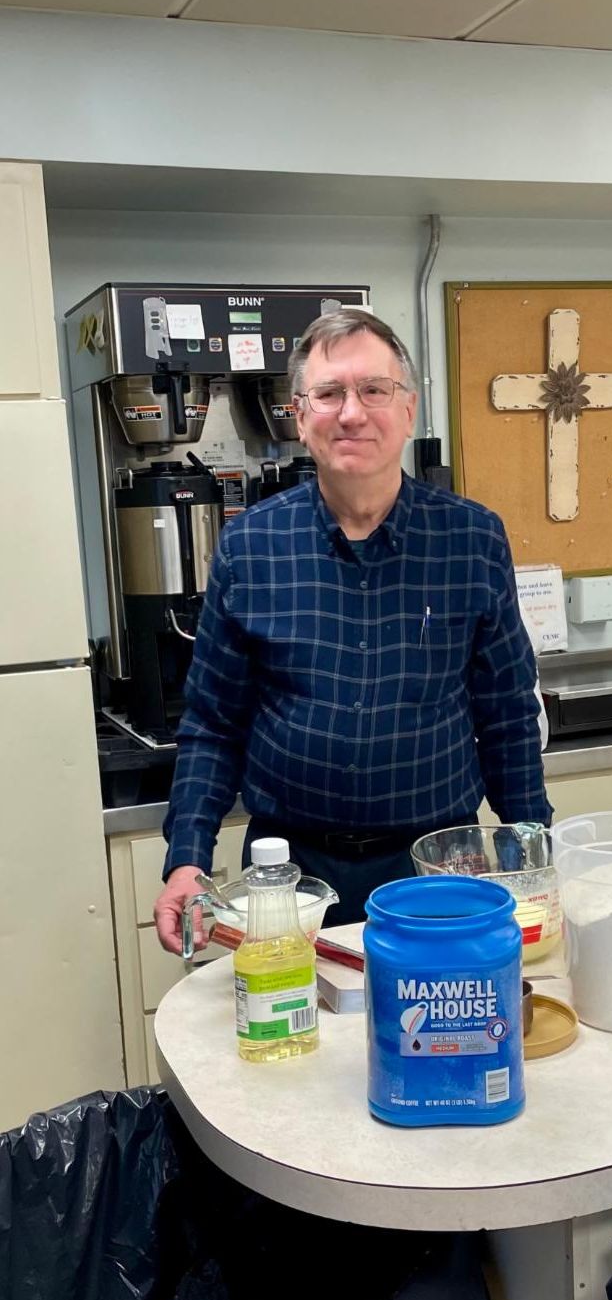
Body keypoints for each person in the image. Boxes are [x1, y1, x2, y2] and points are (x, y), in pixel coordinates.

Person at [155, 307, 551, 953]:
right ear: (299, 414)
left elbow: (506, 714)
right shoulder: (250, 546)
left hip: (436, 866)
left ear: (408, 410)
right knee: (290, 1014)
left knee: (435, 1013)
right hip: (289, 878)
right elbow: (213, 724)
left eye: (373, 390)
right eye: (330, 393)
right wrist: (185, 860)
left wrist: (532, 849)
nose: (352, 412)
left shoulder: (472, 539)